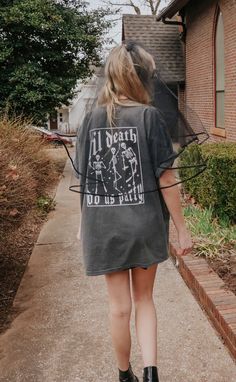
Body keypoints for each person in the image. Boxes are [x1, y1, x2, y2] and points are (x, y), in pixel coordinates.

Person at [74, 41, 193, 382]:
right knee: (144, 300)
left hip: (104, 227)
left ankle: (125, 375)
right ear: (141, 77)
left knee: (118, 307)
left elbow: (85, 179)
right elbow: (167, 177)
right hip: (143, 224)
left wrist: (85, 224)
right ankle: (151, 374)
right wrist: (182, 229)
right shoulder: (149, 117)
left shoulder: (90, 119)